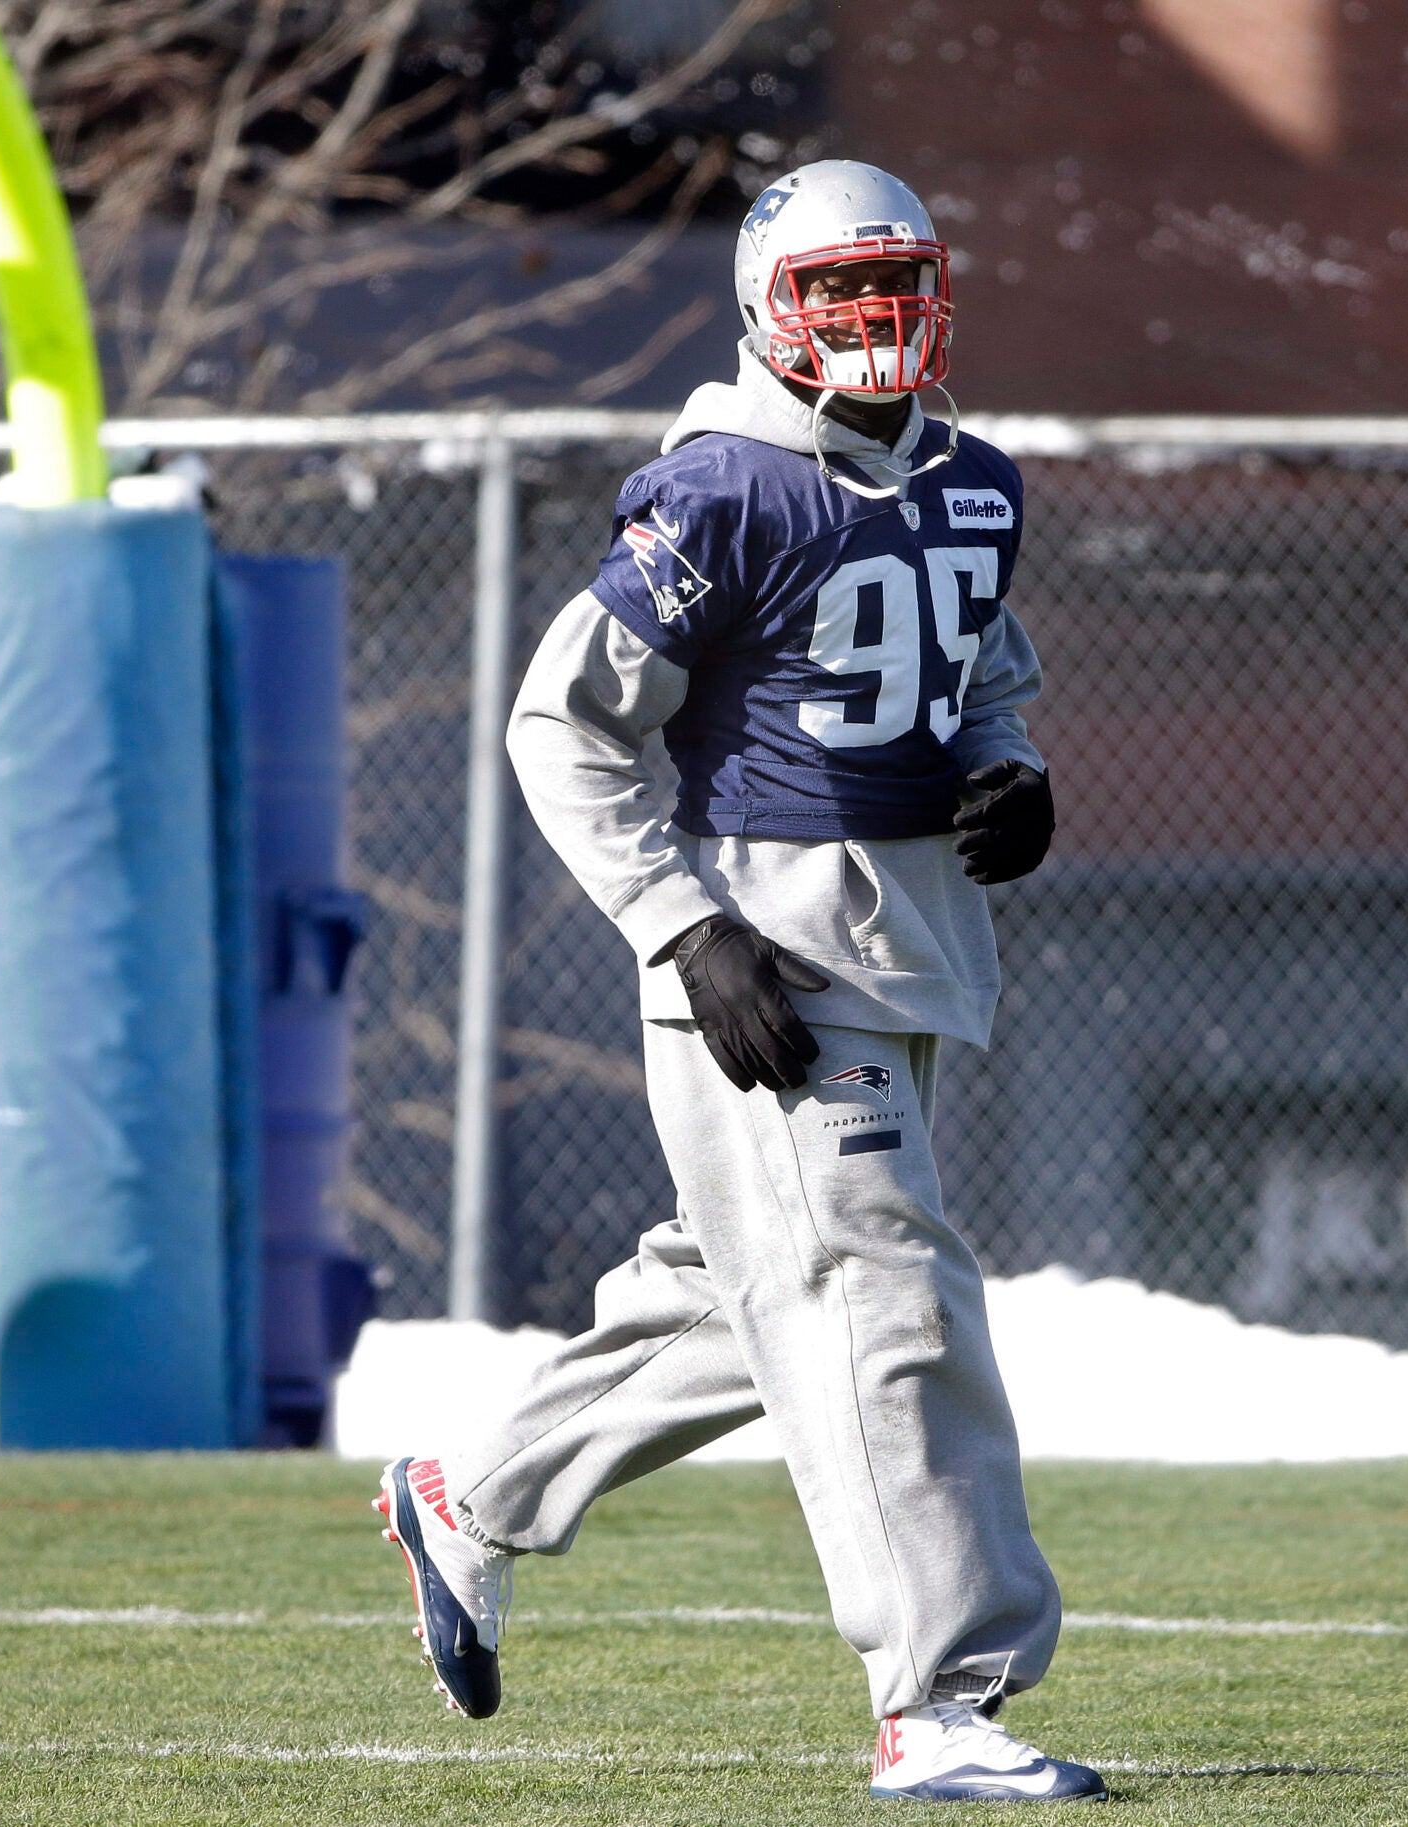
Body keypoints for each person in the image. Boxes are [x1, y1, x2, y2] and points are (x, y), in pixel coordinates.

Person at [373, 159, 1102, 1805]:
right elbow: (563, 723)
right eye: (837, 291)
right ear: (772, 309)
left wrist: (1009, 773)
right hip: (764, 956)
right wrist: (681, 926)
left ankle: (469, 1496)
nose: (870, 321)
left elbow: (984, 675)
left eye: (892, 285)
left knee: (748, 1292)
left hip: (910, 948)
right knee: (885, 1300)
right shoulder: (722, 491)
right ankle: (938, 1697)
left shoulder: (978, 483)